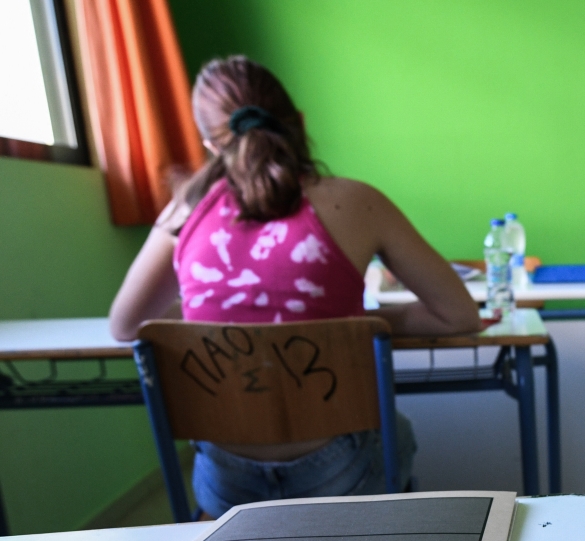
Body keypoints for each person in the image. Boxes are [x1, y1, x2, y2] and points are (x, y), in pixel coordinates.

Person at [109, 56, 481, 517]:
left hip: (226, 483)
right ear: (298, 123)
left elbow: (125, 324)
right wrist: (358, 324)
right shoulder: (357, 202)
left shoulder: (184, 213)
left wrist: (208, 317)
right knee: (398, 430)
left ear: (210, 143)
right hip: (340, 474)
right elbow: (459, 315)